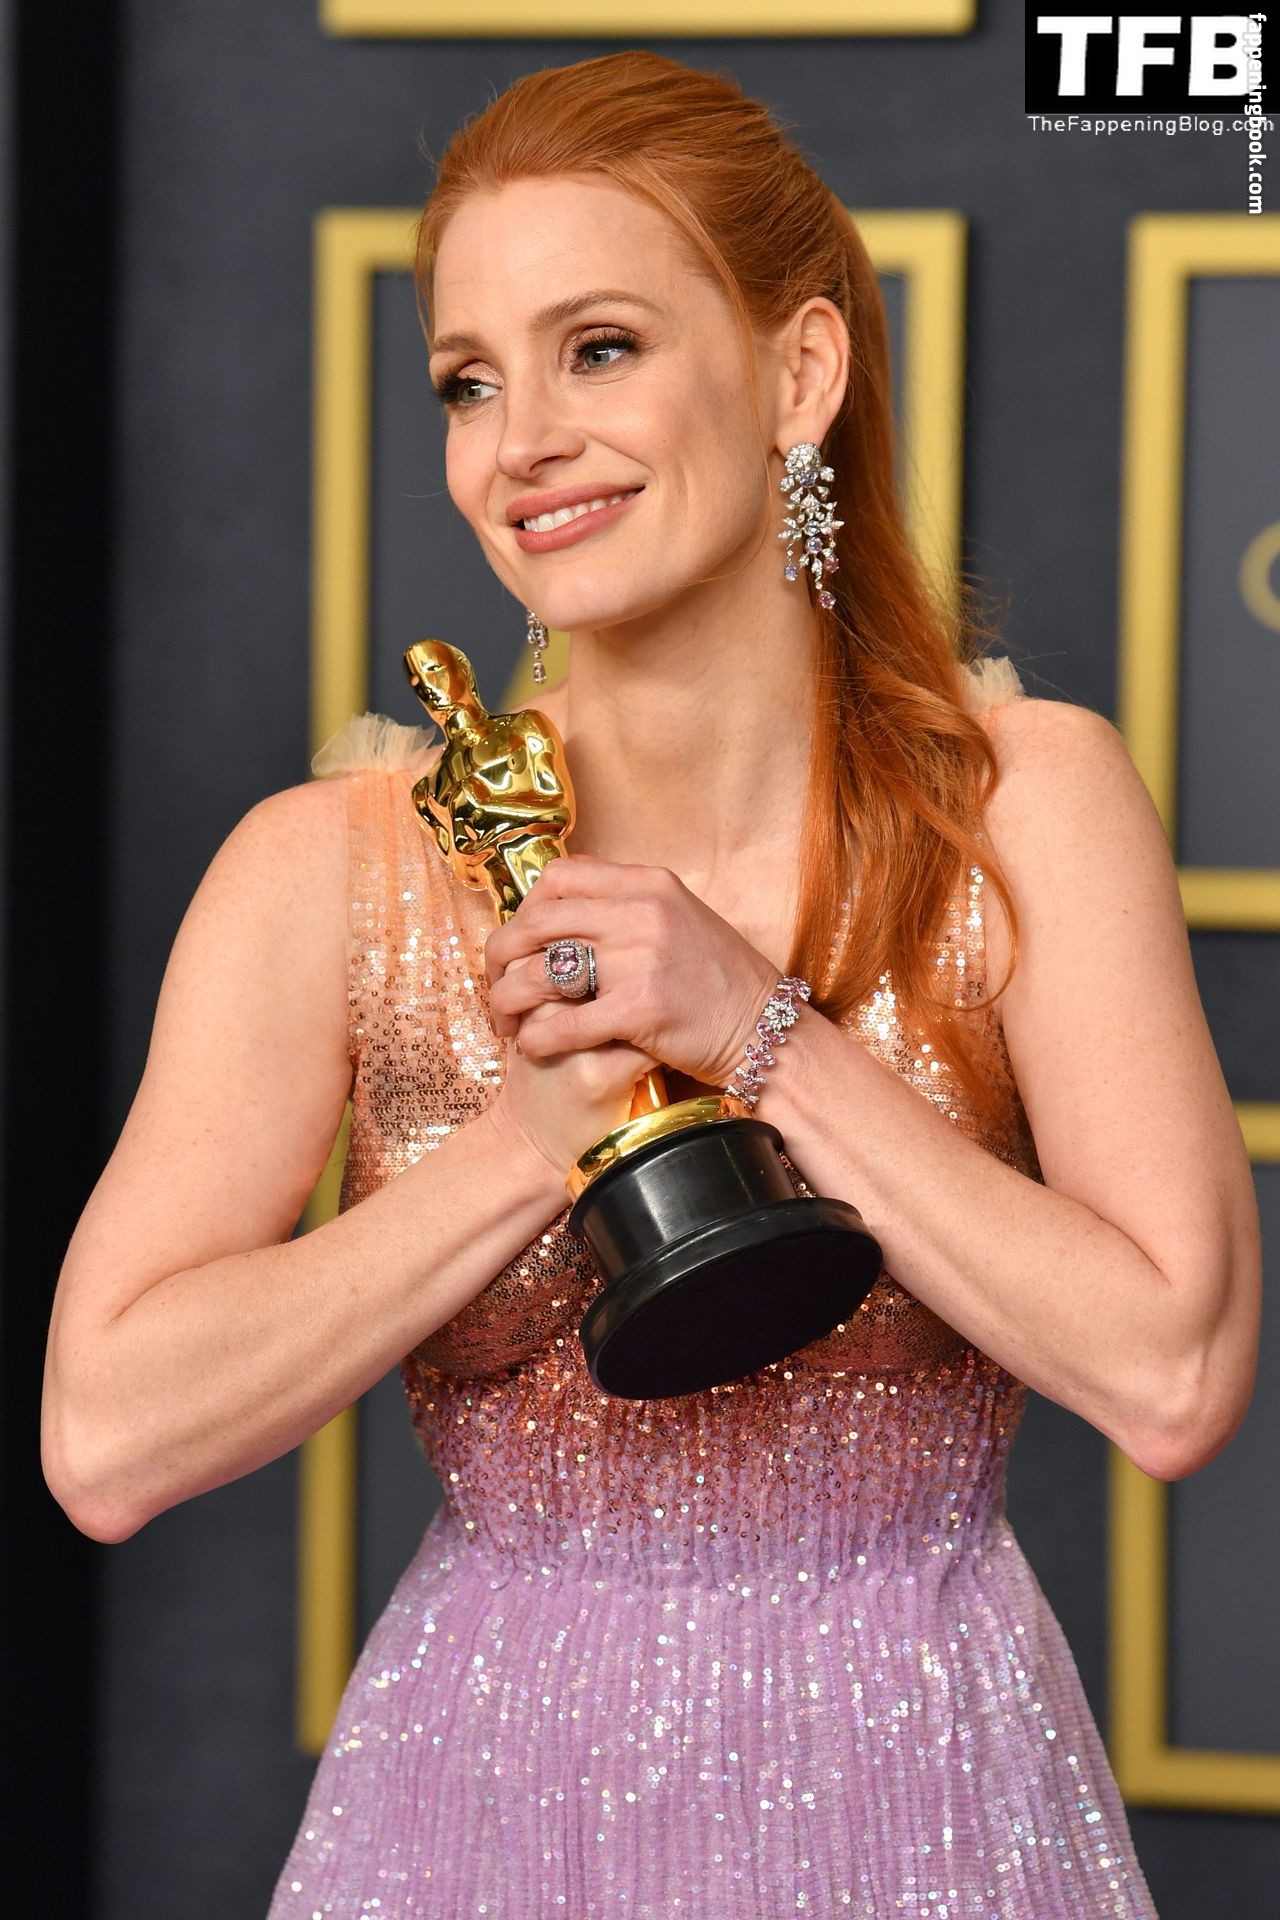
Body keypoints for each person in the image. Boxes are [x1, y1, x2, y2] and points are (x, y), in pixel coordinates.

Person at [41, 49, 1259, 1920]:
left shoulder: (1019, 808)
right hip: (481, 1813)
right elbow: (106, 1440)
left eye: (597, 348)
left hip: (923, 1802)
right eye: (468, 381)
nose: (519, 439)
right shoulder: (334, 869)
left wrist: (761, 1036)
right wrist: (530, 1144)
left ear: (800, 374)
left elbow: (1175, 1375)